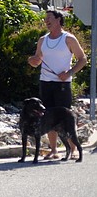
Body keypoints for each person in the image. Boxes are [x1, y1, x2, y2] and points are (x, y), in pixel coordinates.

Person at [27, 9, 87, 160]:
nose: (46, 21)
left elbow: (82, 59)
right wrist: (32, 61)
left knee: (64, 117)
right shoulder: (43, 40)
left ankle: (72, 149)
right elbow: (38, 60)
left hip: (62, 84)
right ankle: (54, 150)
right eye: (45, 19)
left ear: (59, 19)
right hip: (46, 82)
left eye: (49, 18)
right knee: (47, 116)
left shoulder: (69, 39)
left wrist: (69, 73)